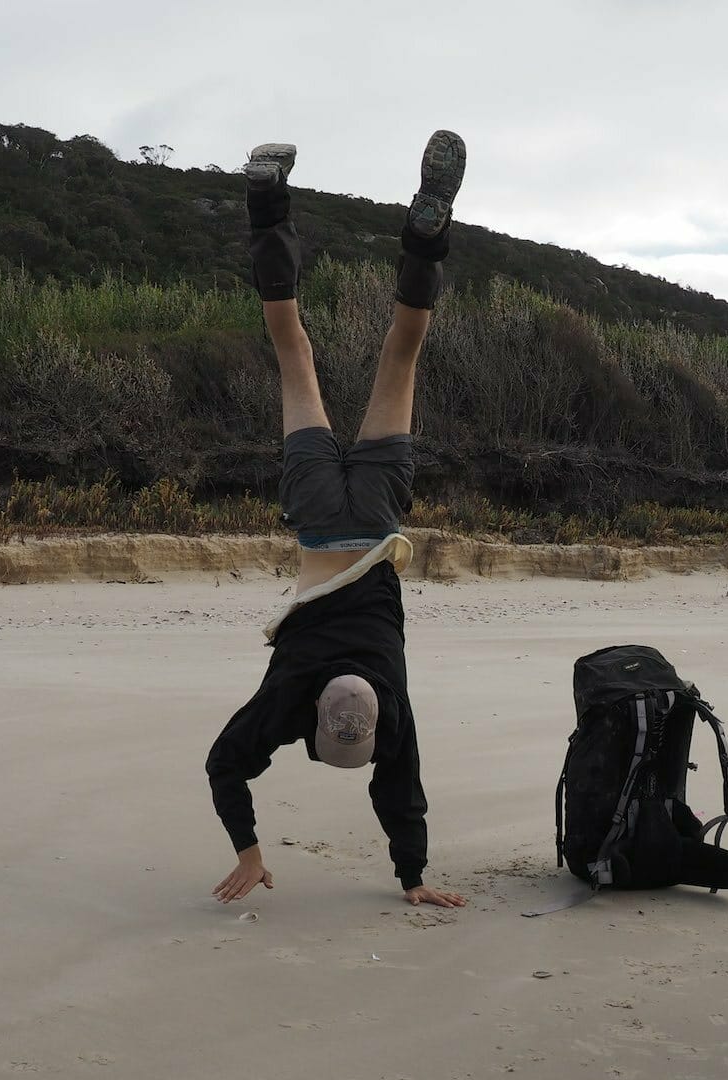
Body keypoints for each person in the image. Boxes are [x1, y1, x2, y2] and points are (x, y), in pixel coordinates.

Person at [205, 132, 469, 910]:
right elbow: (224, 764)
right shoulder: (290, 690)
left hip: (379, 516)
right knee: (292, 349)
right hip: (320, 520)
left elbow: (402, 790)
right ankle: (265, 195)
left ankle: (426, 228)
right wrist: (410, 880)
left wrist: (415, 874)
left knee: (403, 352)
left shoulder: (383, 702)